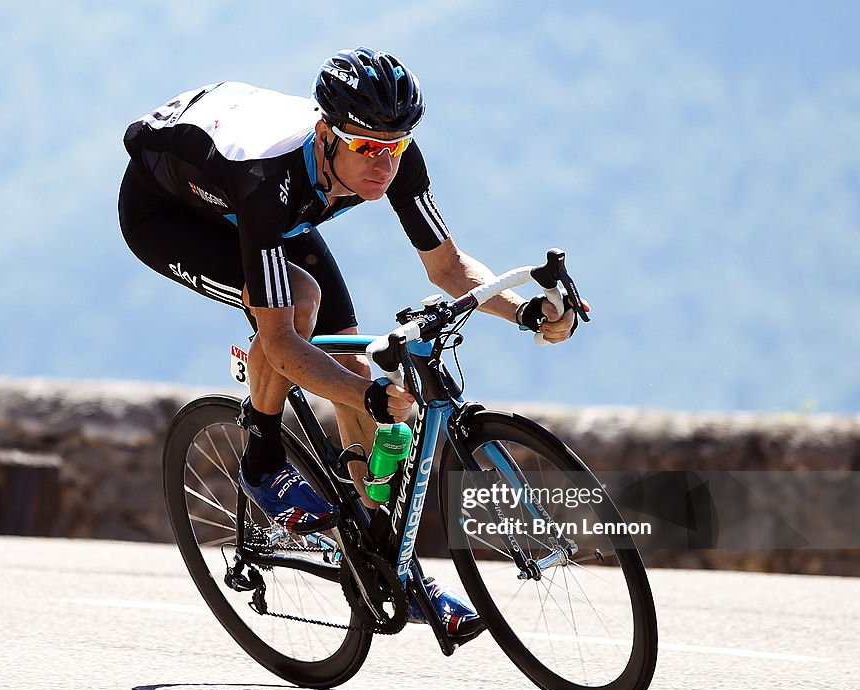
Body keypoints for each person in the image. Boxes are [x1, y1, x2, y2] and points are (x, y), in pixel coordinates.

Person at [118, 47, 583, 642]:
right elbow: (282, 340)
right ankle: (262, 460)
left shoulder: (389, 156)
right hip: (169, 211)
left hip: (268, 210)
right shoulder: (268, 177)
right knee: (299, 305)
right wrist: (368, 398)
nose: (384, 163)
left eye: (396, 146)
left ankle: (393, 565)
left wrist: (522, 312)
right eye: (366, 147)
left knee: (351, 360)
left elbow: (446, 267)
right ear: (326, 135)